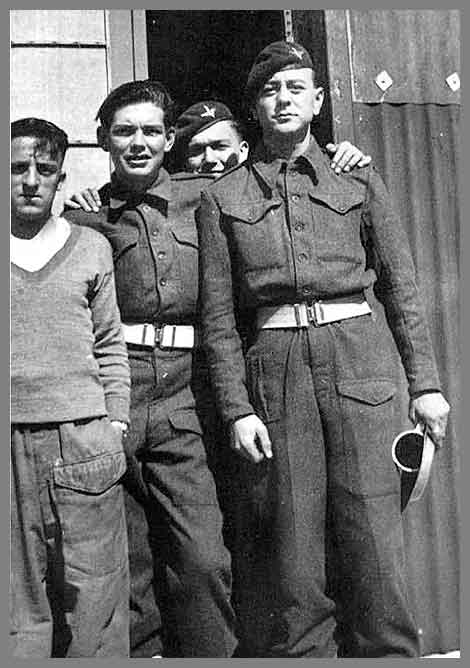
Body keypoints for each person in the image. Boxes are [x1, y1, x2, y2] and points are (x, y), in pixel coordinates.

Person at [63, 86, 372, 658]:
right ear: (102, 138)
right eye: (124, 131)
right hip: (118, 387)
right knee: (129, 557)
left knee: (204, 556)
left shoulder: (207, 195)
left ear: (169, 140)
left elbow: (277, 185)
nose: (138, 143)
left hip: (190, 387)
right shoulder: (84, 216)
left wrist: (336, 154)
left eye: (151, 131)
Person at [196, 41, 450, 658]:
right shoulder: (223, 196)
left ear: (316, 101)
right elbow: (219, 318)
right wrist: (237, 409)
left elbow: (400, 288)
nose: (282, 100)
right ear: (255, 109)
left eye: (295, 88)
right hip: (277, 374)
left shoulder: (356, 176)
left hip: (358, 366)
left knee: (373, 544)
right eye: (269, 90)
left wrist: (425, 384)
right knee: (294, 557)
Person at [10, 117, 131, 658]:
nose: (30, 180)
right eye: (18, 168)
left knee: (96, 605)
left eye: (44, 169)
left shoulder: (90, 247)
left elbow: (110, 343)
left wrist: (115, 421)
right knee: (17, 611)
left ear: (61, 178)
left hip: (82, 443)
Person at [65, 99, 371, 211]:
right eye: (197, 151)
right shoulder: (177, 202)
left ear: (244, 150)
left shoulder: (271, 188)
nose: (210, 159)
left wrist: (337, 159)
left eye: (220, 146)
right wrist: (94, 198)